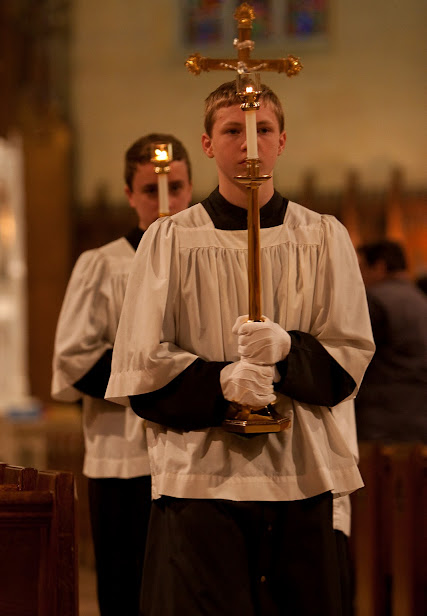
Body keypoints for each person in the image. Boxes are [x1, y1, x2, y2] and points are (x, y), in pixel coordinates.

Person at [106, 81, 375, 616]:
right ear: (207, 144)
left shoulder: (323, 237)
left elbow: (349, 357)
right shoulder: (171, 240)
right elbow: (140, 368)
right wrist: (221, 381)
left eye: (263, 129)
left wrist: (290, 353)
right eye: (233, 130)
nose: (249, 143)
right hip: (201, 481)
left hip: (300, 476)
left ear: (282, 141)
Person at [51, 133, 193, 616]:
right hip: (124, 459)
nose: (165, 200)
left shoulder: (208, 256)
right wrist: (157, 384)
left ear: (191, 187)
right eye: (151, 190)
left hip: (196, 458)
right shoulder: (104, 264)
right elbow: (74, 358)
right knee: (126, 589)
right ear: (130, 194)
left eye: (175, 187)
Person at [356, 240, 427, 443]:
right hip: (418, 412)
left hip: (380, 417)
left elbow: (357, 355)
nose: (358, 275)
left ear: (379, 267)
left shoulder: (374, 299)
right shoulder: (420, 298)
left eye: (361, 267)